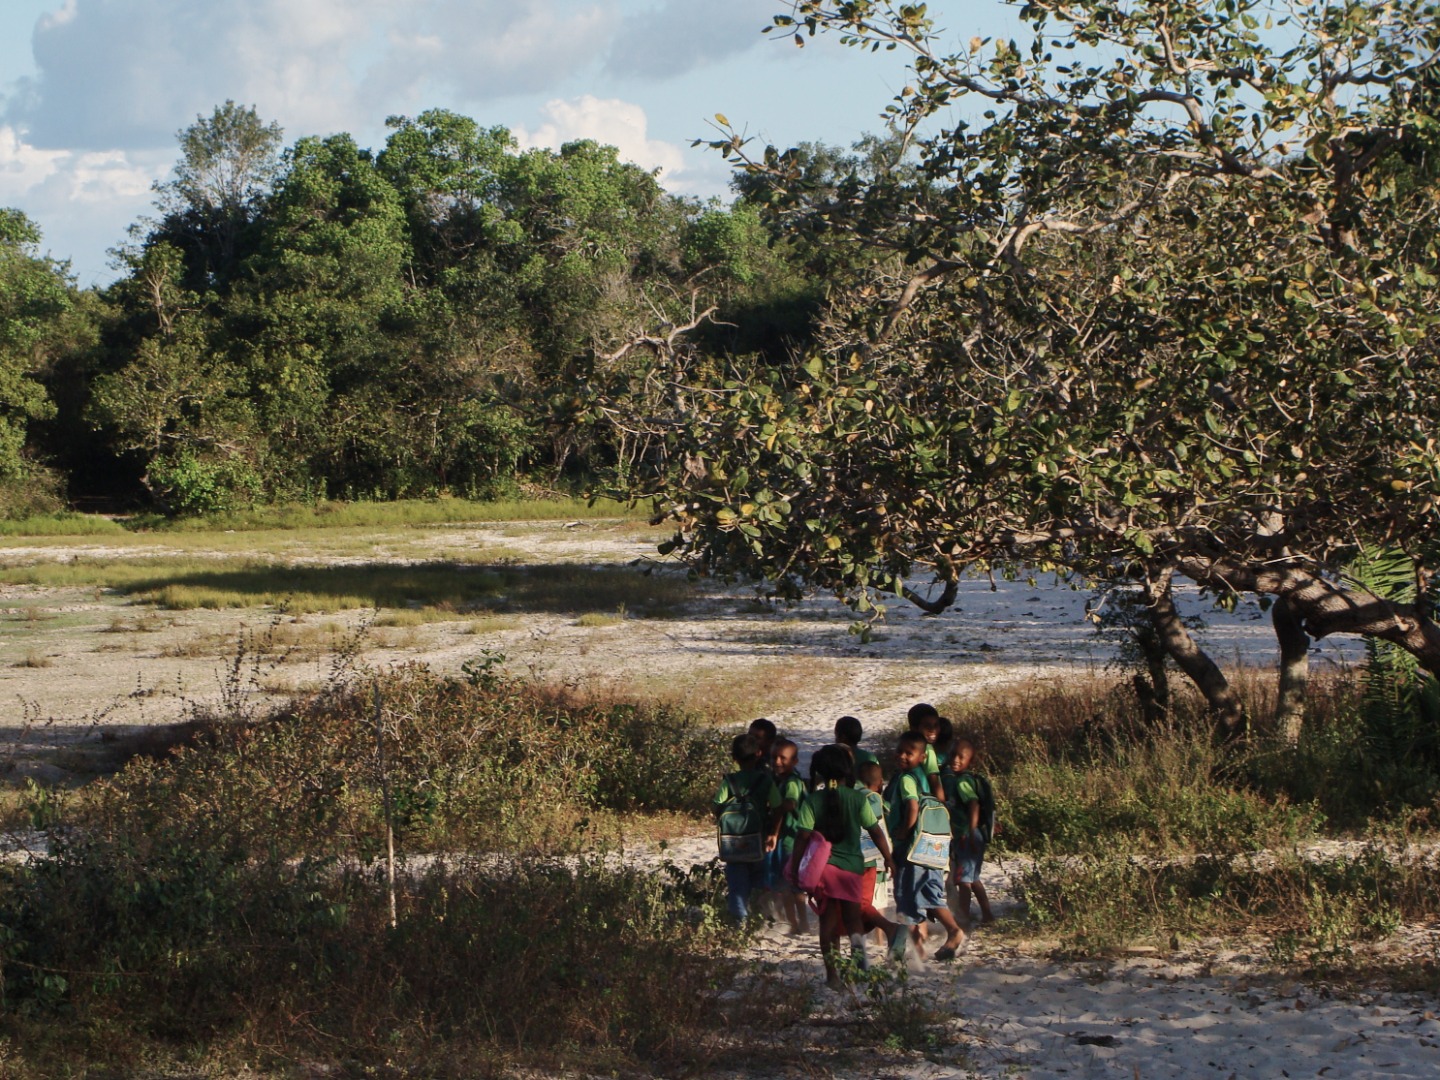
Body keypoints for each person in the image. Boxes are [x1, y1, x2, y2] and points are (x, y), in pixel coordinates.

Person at [788, 744, 900, 989]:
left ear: (820, 772)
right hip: (851, 869)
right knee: (853, 921)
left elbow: (803, 837)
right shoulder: (857, 799)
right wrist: (888, 858)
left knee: (827, 924)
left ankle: (833, 975)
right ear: (847, 770)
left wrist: (795, 867)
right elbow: (875, 830)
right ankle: (859, 967)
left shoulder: (812, 801)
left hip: (823, 871)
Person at [886, 731, 966, 960]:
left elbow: (912, 806)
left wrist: (904, 830)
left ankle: (903, 950)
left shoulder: (905, 779)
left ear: (922, 757)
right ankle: (950, 932)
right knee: (930, 893)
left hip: (911, 849)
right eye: (899, 751)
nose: (902, 756)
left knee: (906, 896)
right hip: (930, 848)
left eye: (909, 753)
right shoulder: (923, 777)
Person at [712, 733, 777, 923]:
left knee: (737, 886)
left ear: (734, 758)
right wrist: (773, 832)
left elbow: (717, 805)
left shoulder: (729, 781)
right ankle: (758, 920)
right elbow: (778, 806)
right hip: (758, 839)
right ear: (758, 754)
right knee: (758, 881)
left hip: (732, 842)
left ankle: (739, 923)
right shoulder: (765, 780)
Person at [945, 738, 995, 927]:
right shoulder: (959, 780)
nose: (955, 760)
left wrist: (971, 832)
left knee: (964, 881)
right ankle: (987, 914)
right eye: (953, 755)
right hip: (968, 835)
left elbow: (973, 804)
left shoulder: (962, 782)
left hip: (968, 836)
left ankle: (963, 918)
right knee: (973, 879)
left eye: (961, 757)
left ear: (970, 761)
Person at [856, 758, 903, 947]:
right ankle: (880, 939)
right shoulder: (876, 799)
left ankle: (870, 937)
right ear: (879, 783)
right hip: (877, 857)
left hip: (860, 858)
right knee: (879, 899)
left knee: (863, 899)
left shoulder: (854, 796)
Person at [767, 738, 810, 935]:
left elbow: (789, 804)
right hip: (792, 839)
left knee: (788, 886)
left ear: (794, 761)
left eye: (782, 758)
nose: (777, 762)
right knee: (793, 885)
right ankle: (801, 923)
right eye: (774, 757)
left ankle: (795, 923)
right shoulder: (785, 779)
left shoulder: (791, 782)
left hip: (789, 840)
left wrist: (774, 818)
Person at [906, 703, 946, 804]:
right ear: (914, 728)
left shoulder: (906, 746)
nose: (933, 730)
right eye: (927, 726)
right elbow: (934, 782)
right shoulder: (927, 749)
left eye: (936, 725)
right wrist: (943, 806)